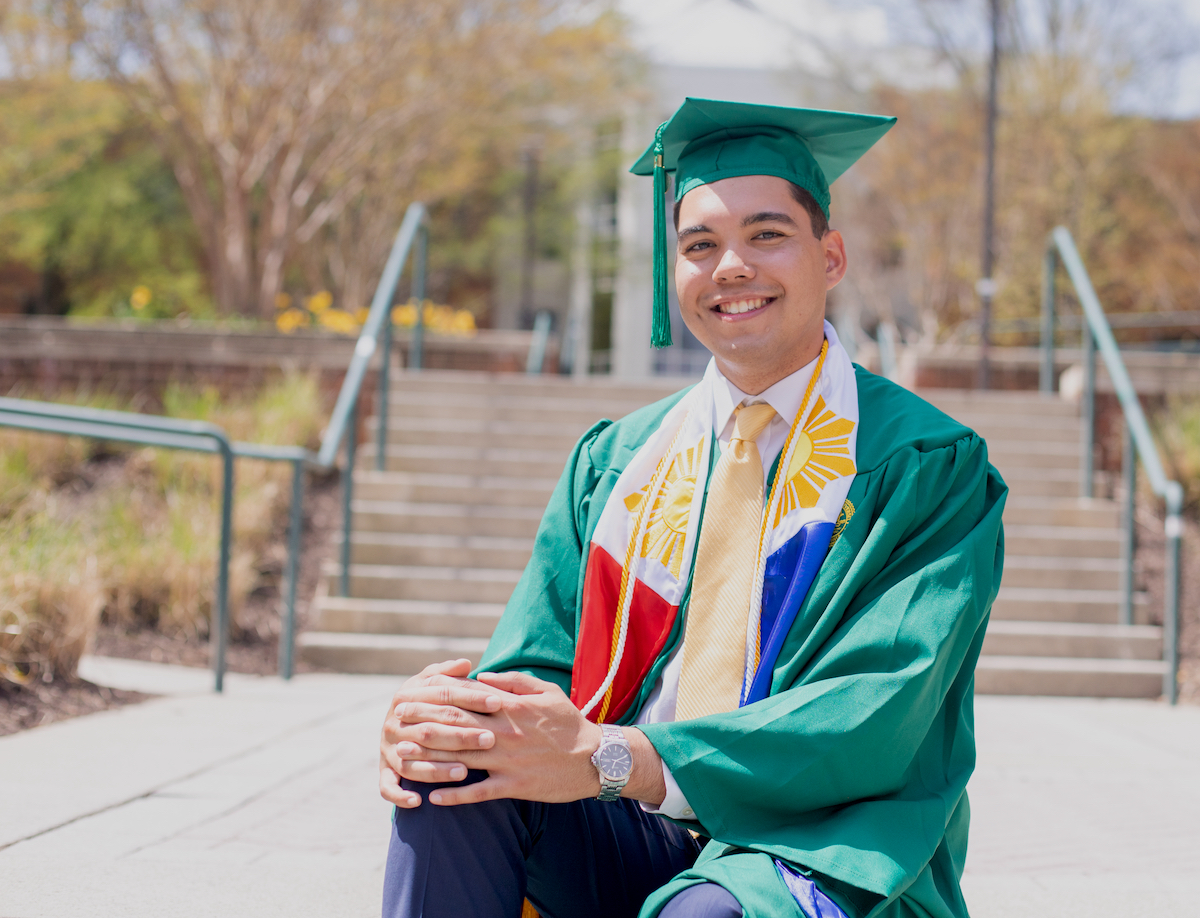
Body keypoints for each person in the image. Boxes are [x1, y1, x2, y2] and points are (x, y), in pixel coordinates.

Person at [377, 97, 1007, 918]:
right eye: (700, 244)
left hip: (814, 841)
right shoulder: (617, 462)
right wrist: (452, 722)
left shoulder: (924, 465)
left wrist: (621, 757)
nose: (731, 266)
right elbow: (533, 670)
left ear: (833, 255)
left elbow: (876, 709)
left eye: (766, 235)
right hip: (621, 822)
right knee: (454, 775)